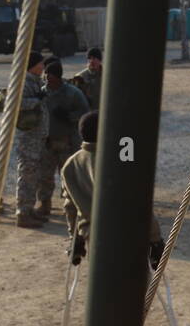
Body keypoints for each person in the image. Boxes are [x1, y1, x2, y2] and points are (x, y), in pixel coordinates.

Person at [62, 111, 164, 266]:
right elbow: (138, 203)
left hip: (94, 237)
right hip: (128, 235)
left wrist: (75, 240)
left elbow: (71, 208)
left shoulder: (71, 164)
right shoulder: (120, 159)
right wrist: (155, 240)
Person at [37, 59, 90, 222]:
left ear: (59, 77)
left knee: (68, 176)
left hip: (68, 142)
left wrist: (69, 117)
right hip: (48, 141)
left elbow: (84, 112)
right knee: (44, 175)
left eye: (50, 76)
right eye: (46, 74)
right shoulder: (42, 92)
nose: (47, 78)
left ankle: (72, 205)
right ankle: (44, 203)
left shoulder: (73, 93)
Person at [14, 51, 49, 228]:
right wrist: (36, 100)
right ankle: (22, 212)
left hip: (36, 137)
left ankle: (29, 209)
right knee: (26, 175)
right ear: (32, 65)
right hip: (28, 138)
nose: (43, 67)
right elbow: (17, 103)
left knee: (33, 175)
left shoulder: (36, 81)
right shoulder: (24, 82)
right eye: (40, 64)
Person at [71, 47, 103, 111]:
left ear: (99, 60)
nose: (91, 61)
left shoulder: (106, 76)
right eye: (89, 58)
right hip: (87, 113)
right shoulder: (80, 77)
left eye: (94, 58)